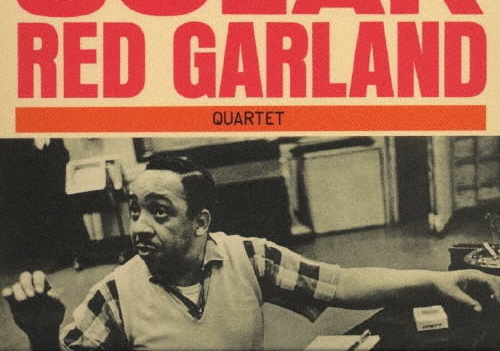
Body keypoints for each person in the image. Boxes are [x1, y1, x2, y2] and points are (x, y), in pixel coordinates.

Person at [3, 153, 500, 350]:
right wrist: (42, 336)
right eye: (135, 211)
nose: (139, 227)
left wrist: (437, 280)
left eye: (159, 212)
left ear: (201, 224)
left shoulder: (246, 257)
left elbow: (341, 283)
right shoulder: (112, 296)